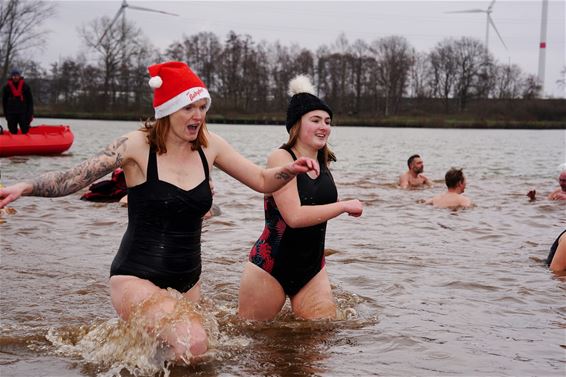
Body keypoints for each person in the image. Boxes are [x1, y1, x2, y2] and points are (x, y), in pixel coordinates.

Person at [0, 61, 320, 360]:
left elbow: (263, 180)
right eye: (188, 108)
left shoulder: (211, 146)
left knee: (185, 353)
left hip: (187, 283)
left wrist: (290, 170)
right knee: (193, 344)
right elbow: (74, 177)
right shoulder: (137, 146)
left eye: (201, 107)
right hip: (136, 278)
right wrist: (25, 187)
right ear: (167, 111)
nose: (197, 116)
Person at [238, 75, 363, 321]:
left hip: (312, 269)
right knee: (256, 346)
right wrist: (343, 206)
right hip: (270, 267)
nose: (324, 126)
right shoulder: (281, 158)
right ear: (296, 124)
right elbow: (294, 217)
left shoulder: (323, 161)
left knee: (320, 340)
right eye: (315, 120)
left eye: (327, 121)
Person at [2, 68, 34, 135]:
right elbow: (4, 102)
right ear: (11, 76)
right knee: (12, 132)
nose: (15, 77)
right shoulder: (6, 87)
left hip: (23, 114)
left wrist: (30, 114)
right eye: (13, 75)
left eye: (17, 75)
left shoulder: (25, 87)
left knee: (25, 131)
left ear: (19, 76)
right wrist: (6, 114)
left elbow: (30, 102)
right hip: (11, 114)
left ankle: (26, 144)